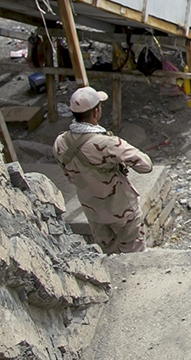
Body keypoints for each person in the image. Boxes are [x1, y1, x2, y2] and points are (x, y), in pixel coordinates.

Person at [54, 86, 153, 255]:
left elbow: (69, 176)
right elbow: (146, 165)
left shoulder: (60, 142)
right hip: (121, 209)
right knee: (134, 254)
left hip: (92, 209)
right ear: (96, 112)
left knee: (108, 254)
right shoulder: (107, 143)